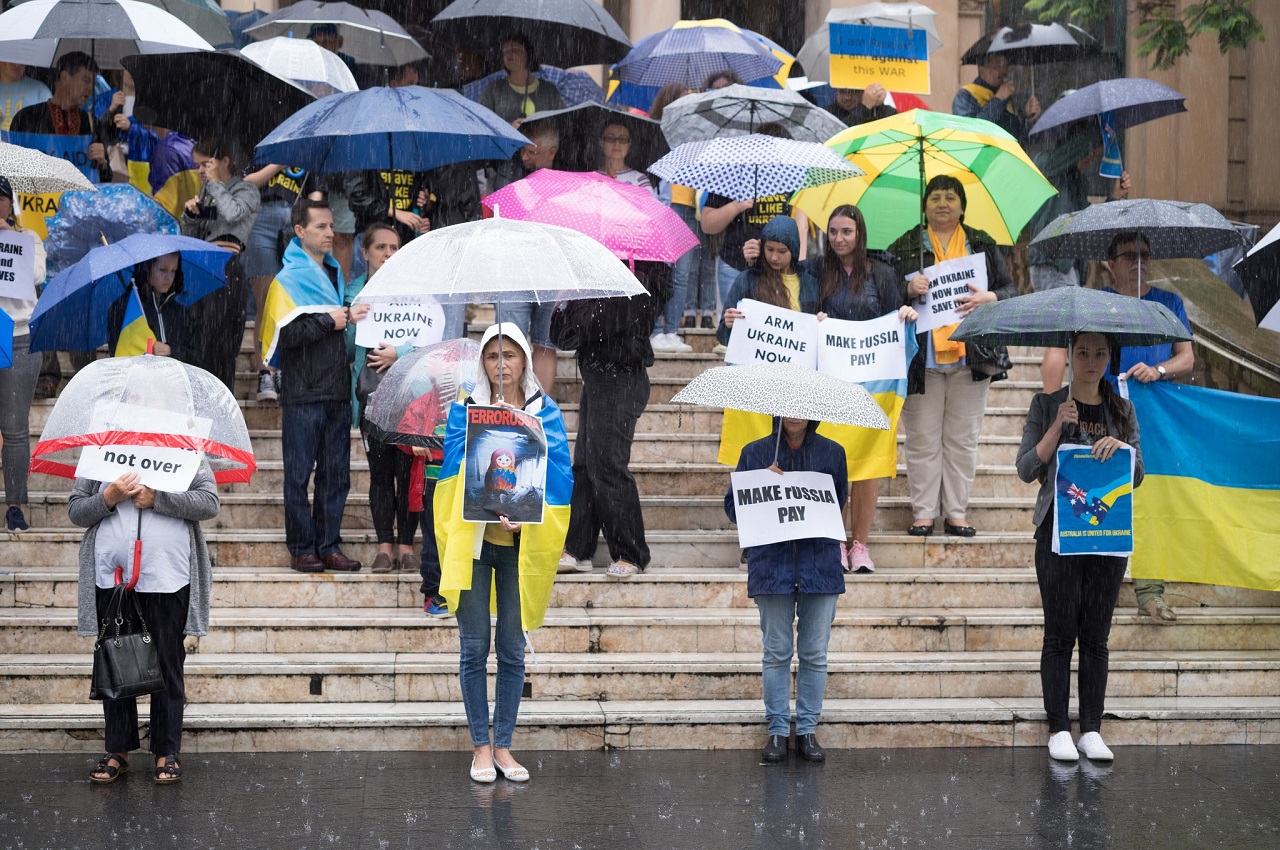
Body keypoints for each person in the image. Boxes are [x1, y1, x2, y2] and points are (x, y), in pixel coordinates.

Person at [435, 322, 571, 783]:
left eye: (509, 355)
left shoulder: (545, 412)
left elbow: (559, 477)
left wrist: (525, 510)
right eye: (492, 356)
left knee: (512, 650)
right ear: (483, 363)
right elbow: (452, 473)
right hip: (474, 547)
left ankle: (504, 746)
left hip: (518, 548)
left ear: (524, 361)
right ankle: (480, 747)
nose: (501, 364)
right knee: (474, 648)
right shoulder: (465, 410)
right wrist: (486, 430)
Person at [1016, 332, 1142, 763]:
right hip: (1058, 534)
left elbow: (1138, 473)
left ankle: (1091, 728)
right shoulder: (1045, 404)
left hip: (1107, 536)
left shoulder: (1122, 409)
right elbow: (1026, 468)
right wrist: (1056, 426)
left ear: (1109, 357)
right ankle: (1058, 728)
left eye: (1100, 353)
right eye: (1083, 352)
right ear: (1069, 355)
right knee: (1059, 633)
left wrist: (1123, 450)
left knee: (1096, 636)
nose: (1092, 361)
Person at [72, 464, 221, 785]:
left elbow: (209, 502)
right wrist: (108, 497)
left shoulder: (186, 450)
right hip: (111, 579)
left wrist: (158, 499)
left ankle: (167, 750)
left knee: (167, 664)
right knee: (115, 663)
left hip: (169, 577)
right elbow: (76, 510)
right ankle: (118, 748)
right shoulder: (101, 451)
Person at [888, 174, 1015, 537]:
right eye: (935, 197)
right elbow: (883, 292)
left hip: (971, 355)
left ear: (962, 206)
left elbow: (1010, 289)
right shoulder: (907, 244)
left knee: (962, 439)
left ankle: (956, 512)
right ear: (924, 205)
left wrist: (989, 298)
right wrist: (906, 288)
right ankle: (924, 513)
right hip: (921, 359)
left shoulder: (981, 244)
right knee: (922, 439)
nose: (942, 203)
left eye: (950, 197)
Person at [726, 417, 848, 763]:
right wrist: (761, 482)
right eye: (788, 408)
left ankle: (807, 730)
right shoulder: (754, 453)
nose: (794, 414)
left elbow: (837, 503)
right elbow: (733, 508)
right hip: (772, 568)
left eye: (801, 408)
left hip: (819, 567)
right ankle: (778, 731)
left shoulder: (832, 453)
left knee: (814, 653)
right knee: (776, 651)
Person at [805, 205, 917, 573]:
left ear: (860, 234)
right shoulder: (816, 271)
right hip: (830, 386)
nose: (838, 238)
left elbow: (894, 317)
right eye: (833, 231)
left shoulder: (882, 273)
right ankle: (835, 541)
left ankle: (860, 546)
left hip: (873, 386)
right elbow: (793, 297)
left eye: (846, 232)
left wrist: (906, 315)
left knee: (868, 466)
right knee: (831, 463)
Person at [551, 260, 672, 578]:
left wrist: (587, 300)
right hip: (595, 379)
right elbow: (562, 335)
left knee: (607, 465)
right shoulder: (591, 273)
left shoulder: (643, 276)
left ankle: (631, 552)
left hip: (623, 379)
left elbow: (598, 323)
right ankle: (578, 547)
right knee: (584, 464)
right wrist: (570, 297)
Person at [267, 197, 366, 574]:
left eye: (331, 226)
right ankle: (301, 548)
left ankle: (328, 545)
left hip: (336, 390)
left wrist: (344, 317)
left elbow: (333, 323)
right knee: (297, 476)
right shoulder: (287, 279)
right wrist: (330, 320)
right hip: (302, 392)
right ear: (300, 231)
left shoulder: (334, 273)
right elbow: (284, 336)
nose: (330, 233)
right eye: (321, 226)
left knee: (336, 475)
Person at [1102, 232, 1194, 622]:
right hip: (1106, 414)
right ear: (1111, 264)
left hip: (1154, 421)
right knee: (1106, 499)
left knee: (1152, 502)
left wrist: (1158, 370)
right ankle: (1099, 590)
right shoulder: (1098, 304)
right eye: (1129, 255)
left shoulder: (1169, 304)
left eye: (1144, 254)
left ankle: (1150, 594)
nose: (1139, 261)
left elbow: (1186, 357)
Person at [1029, 110, 1132, 392]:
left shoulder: (1075, 179)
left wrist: (1114, 197)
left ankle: (1063, 400)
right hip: (1051, 263)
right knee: (1059, 339)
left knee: (1067, 338)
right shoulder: (1048, 163)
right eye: (1092, 152)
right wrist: (1104, 127)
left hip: (1067, 267)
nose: (1092, 159)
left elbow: (1089, 222)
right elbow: (1078, 147)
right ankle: (1051, 403)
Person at [345, 224, 417, 574]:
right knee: (380, 474)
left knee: (408, 473)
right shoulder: (353, 293)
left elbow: (429, 340)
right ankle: (384, 547)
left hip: (410, 399)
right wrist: (351, 321)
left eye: (394, 248)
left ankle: (406, 546)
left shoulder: (415, 293)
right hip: (371, 396)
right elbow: (347, 350)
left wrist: (398, 352)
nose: (388, 254)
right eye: (380, 247)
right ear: (365, 252)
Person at [703, 122, 808, 350]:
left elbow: (801, 227)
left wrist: (798, 267)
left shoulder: (793, 178)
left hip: (779, 270)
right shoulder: (732, 175)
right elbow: (708, 224)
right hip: (734, 265)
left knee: (774, 339)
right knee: (735, 340)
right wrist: (736, 206)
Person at [181, 137, 260, 391]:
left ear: (224, 161)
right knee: (197, 343)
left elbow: (233, 214)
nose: (200, 171)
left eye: (205, 164)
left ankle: (220, 401)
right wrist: (190, 216)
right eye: (196, 166)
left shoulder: (247, 190)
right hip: (199, 269)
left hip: (226, 268)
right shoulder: (208, 192)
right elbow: (191, 237)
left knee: (222, 346)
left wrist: (215, 184)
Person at [243, 164, 316, 401]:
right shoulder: (264, 150)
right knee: (265, 302)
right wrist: (279, 163)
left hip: (296, 220)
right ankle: (265, 371)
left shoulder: (307, 151)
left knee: (290, 302)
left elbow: (315, 193)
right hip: (261, 216)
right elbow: (248, 183)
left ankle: (285, 366)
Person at [648, 83, 714, 339]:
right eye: (682, 100)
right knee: (658, 271)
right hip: (663, 206)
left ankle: (672, 331)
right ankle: (656, 329)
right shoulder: (656, 133)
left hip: (689, 207)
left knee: (682, 274)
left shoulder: (697, 134)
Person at [0, 175, 47, 532]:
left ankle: (15, 504)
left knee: (15, 428)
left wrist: (8, 238)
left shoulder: (28, 238)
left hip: (19, 337)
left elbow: (37, 275)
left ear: (9, 203)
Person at [9, 52, 111, 183]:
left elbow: (107, 178)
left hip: (80, 195)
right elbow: (11, 171)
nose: (90, 88)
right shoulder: (26, 117)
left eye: (93, 83)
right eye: (86, 80)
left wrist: (102, 163)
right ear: (64, 77)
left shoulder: (92, 122)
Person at [107, 253, 193, 362]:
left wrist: (172, 351)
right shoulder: (123, 309)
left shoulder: (181, 313)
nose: (169, 277)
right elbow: (118, 358)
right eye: (163, 270)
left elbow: (197, 358)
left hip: (176, 373)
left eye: (173, 270)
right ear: (146, 268)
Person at [952, 53, 1040, 144]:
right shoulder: (966, 95)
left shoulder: (1007, 97)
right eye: (997, 66)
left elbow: (1017, 136)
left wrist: (1027, 118)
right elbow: (971, 132)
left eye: (1006, 66)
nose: (1004, 71)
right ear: (983, 71)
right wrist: (998, 100)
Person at [478, 37, 564, 125]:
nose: (509, 54)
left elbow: (561, 121)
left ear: (528, 54)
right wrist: (509, 128)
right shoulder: (493, 89)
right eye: (505, 51)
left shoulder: (548, 90)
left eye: (514, 50)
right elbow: (481, 122)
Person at [595, 121, 652, 192]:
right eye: (610, 138)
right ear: (601, 143)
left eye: (623, 139)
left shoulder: (640, 181)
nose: (616, 143)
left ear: (629, 144)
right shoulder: (590, 179)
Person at [0, 62, 51, 131]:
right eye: (12, 60)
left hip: (29, 137)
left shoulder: (41, 91)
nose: (17, 64)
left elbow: (53, 123)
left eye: (21, 60)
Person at [825, 84, 897, 126]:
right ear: (836, 92)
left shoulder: (888, 113)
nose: (847, 97)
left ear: (865, 92)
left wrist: (874, 106)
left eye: (853, 92)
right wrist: (865, 107)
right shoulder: (826, 113)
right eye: (842, 92)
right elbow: (839, 133)